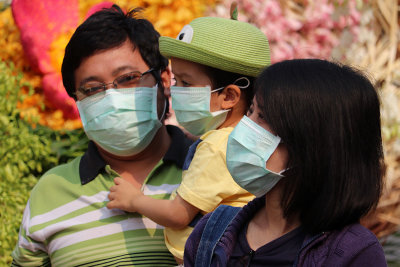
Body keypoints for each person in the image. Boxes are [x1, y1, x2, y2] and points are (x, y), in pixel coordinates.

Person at [11, 5, 193, 266]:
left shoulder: (210, 167)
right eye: (92, 89)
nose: (112, 98)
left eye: (128, 78)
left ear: (164, 80)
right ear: (77, 100)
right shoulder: (50, 192)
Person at [184, 59, 388, 267]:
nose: (244, 126)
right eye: (250, 111)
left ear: (315, 144)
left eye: (263, 116)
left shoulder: (354, 254)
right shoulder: (210, 232)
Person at [106, 7, 271, 262]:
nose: (176, 91)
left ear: (229, 96)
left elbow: (178, 214)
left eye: (186, 83)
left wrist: (134, 200)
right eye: (176, 82)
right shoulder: (249, 140)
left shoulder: (217, 147)